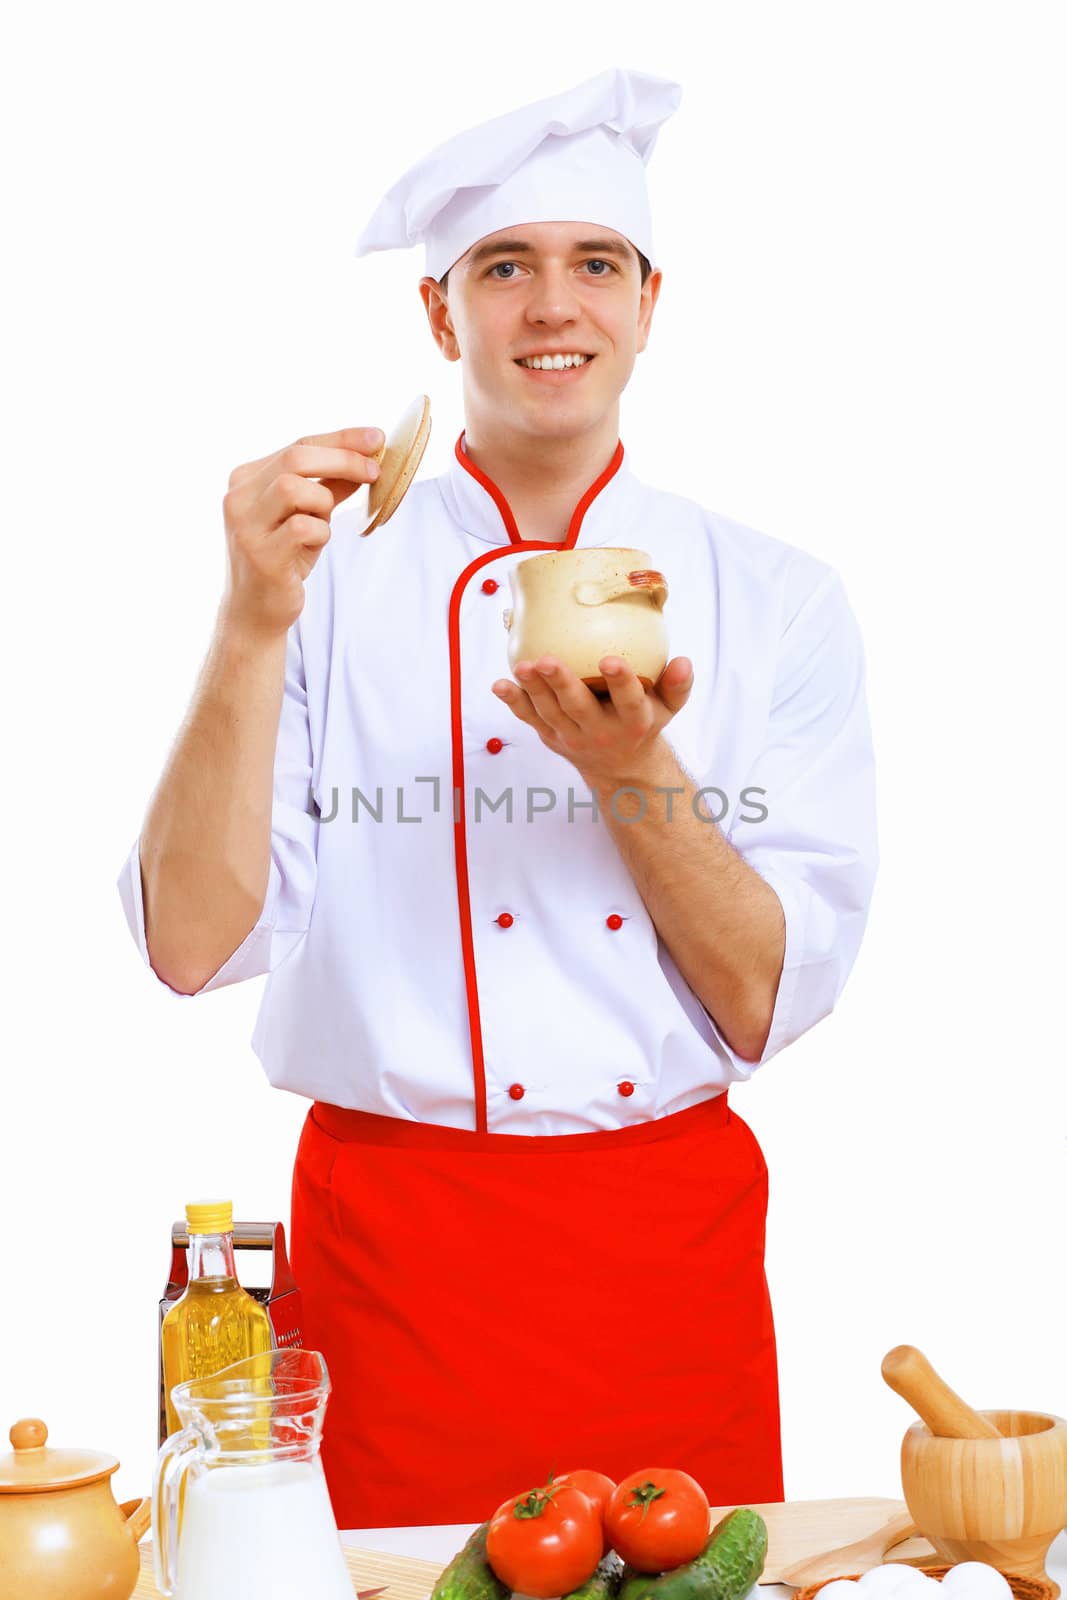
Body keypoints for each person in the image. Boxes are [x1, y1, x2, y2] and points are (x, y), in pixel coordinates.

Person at [118, 67, 878, 1528]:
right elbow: (189, 946)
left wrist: (632, 771)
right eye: (504, 267)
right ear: (437, 313)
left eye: (596, 263)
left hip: (663, 1258)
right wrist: (248, 624)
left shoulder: (777, 598)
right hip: (394, 1268)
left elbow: (768, 994)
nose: (552, 308)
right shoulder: (316, 583)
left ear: (652, 303)